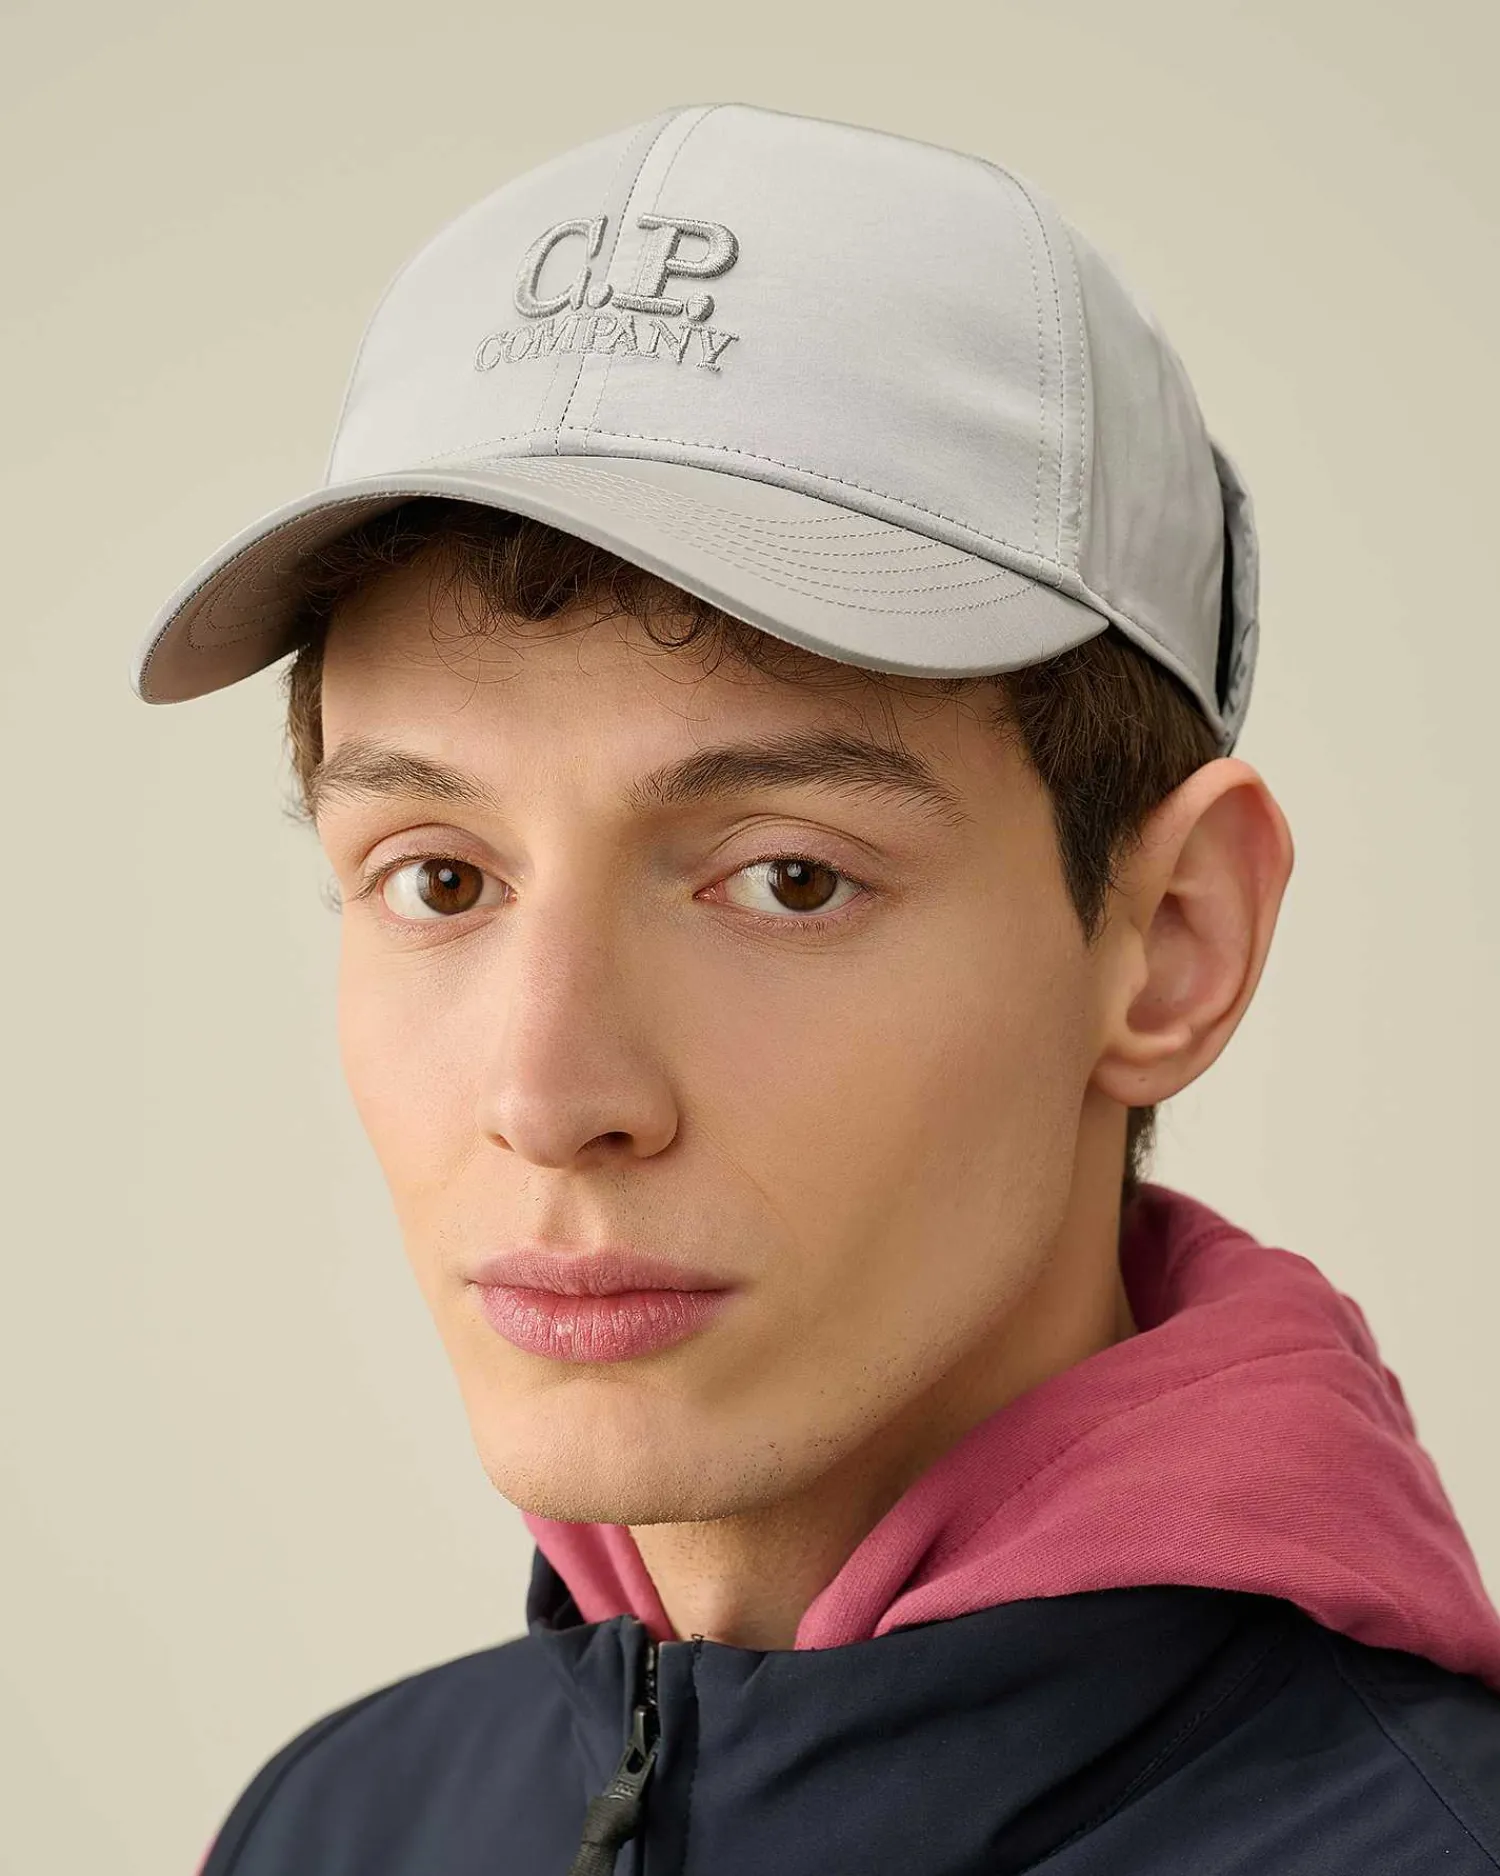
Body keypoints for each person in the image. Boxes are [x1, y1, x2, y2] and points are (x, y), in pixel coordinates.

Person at [132, 104, 1500, 1875]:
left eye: (787, 879)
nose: (550, 1096)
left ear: (1174, 940)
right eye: (439, 880)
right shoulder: (336, 1828)